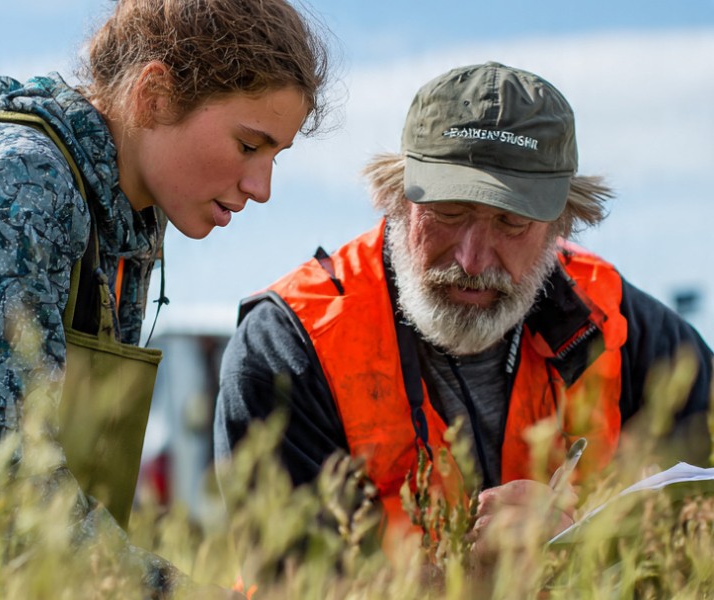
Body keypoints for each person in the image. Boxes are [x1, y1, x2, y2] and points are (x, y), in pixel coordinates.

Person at [214, 62, 713, 563]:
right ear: (396, 199)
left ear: (561, 223)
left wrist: (593, 549)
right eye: (449, 213)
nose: (472, 259)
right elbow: (288, 580)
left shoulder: (616, 321)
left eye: (511, 222)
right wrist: (471, 573)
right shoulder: (289, 345)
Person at [0, 0, 331, 596]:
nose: (261, 188)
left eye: (274, 157)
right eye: (247, 146)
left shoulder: (127, 219)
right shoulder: (26, 184)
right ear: (154, 95)